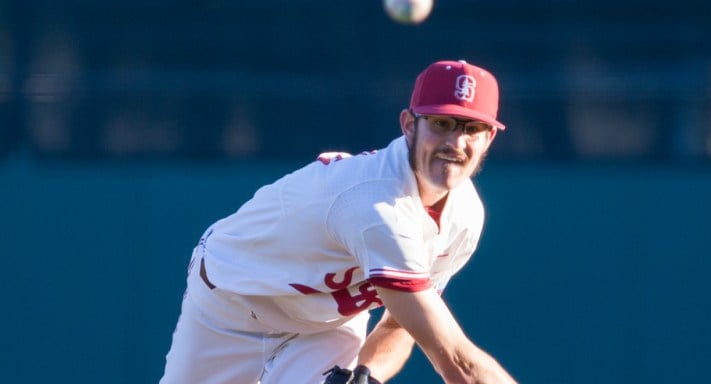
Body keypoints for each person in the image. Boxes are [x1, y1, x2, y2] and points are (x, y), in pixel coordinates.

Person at [160, 59, 519, 384]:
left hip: (326, 324)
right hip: (233, 304)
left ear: (489, 139)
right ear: (409, 126)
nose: (456, 142)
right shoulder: (377, 206)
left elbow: (402, 323)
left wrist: (366, 375)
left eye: (472, 128)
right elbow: (459, 364)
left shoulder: (465, 217)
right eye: (441, 124)